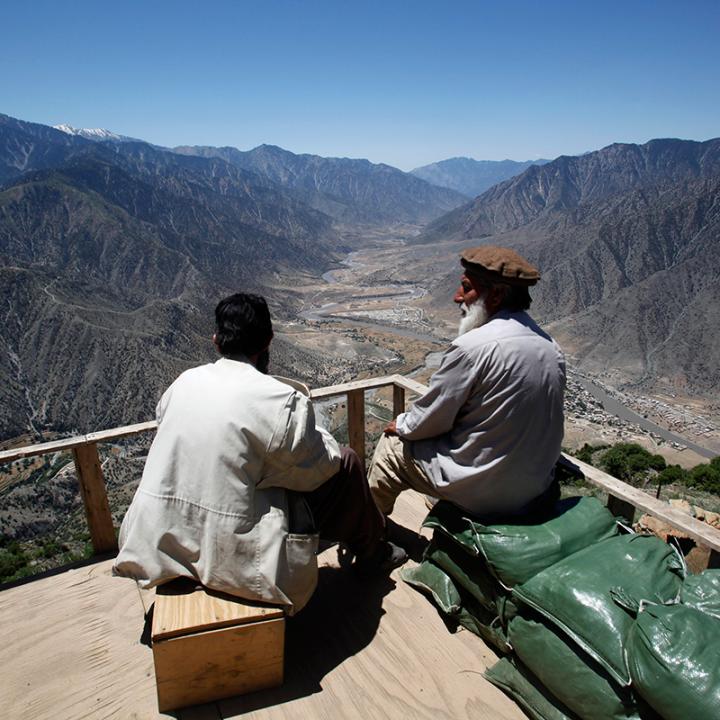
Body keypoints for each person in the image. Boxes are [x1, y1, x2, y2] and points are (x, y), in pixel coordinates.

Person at [113, 293, 406, 615]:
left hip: (156, 540)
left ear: (216, 341)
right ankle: (371, 553)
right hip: (231, 555)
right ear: (268, 340)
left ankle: (369, 542)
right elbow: (320, 468)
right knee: (347, 460)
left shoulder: (182, 383)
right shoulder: (279, 399)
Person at [368, 246, 566, 519]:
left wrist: (401, 424)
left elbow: (430, 420)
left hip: (487, 489)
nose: (456, 297)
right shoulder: (551, 346)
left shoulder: (472, 347)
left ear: (496, 295)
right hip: (534, 486)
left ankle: (370, 535)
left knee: (390, 447)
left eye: (466, 287)